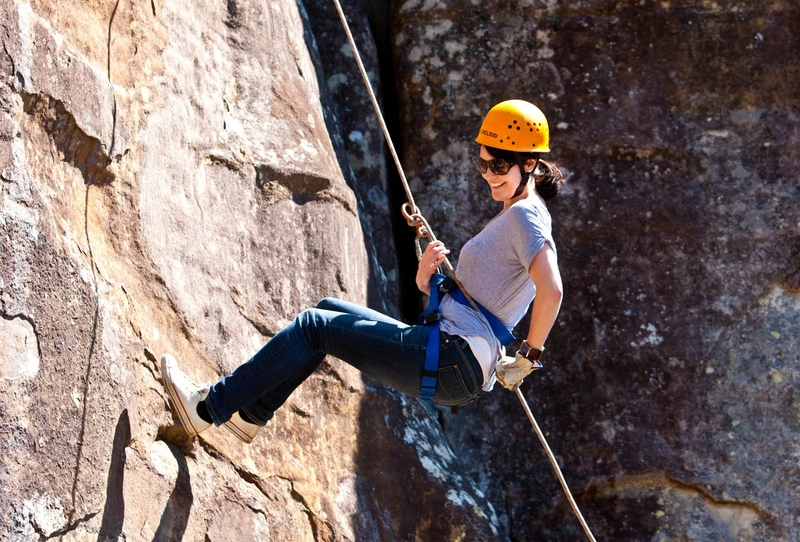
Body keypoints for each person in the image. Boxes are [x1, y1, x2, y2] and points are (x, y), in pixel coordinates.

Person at [161, 99, 564, 444]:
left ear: (529, 164)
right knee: (327, 308)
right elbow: (484, 299)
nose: (489, 175)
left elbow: (552, 290)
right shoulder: (515, 214)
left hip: (453, 357)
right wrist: (429, 281)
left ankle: (207, 408)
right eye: (483, 163)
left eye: (499, 166)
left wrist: (529, 355)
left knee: (313, 325)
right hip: (451, 352)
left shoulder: (526, 217)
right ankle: (249, 415)